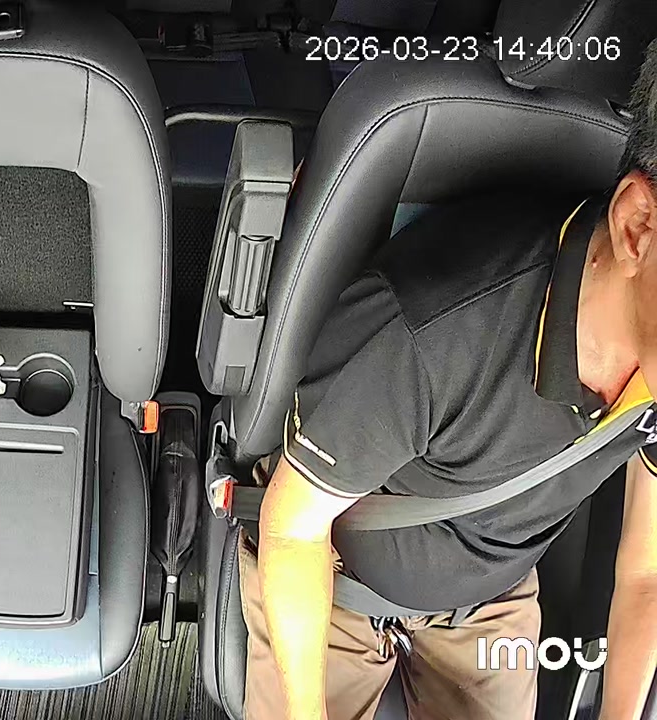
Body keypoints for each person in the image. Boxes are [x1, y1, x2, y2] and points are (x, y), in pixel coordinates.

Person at [245, 43, 657, 720]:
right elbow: (294, 530)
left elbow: (647, 572)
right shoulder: (431, 331)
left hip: (492, 597)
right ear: (638, 226)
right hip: (337, 577)